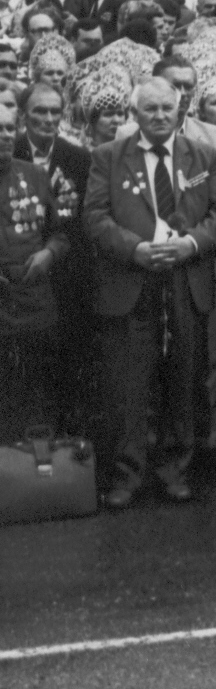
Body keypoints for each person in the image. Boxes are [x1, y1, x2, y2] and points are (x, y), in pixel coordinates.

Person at [85, 78, 216, 508]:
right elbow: (93, 215)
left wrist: (190, 244)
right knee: (128, 383)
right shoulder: (109, 157)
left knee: (184, 376)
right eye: (150, 109)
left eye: (167, 107)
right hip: (132, 280)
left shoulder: (201, 154)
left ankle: (175, 470)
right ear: (135, 114)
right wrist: (136, 249)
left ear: (179, 107)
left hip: (186, 278)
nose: (160, 116)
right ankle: (126, 475)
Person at [0, 92, 71, 442]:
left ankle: (33, 481)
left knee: (36, 396)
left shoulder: (35, 175)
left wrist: (49, 254)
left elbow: (60, 234)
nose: (2, 135)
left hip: (34, 306)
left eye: (8, 128)